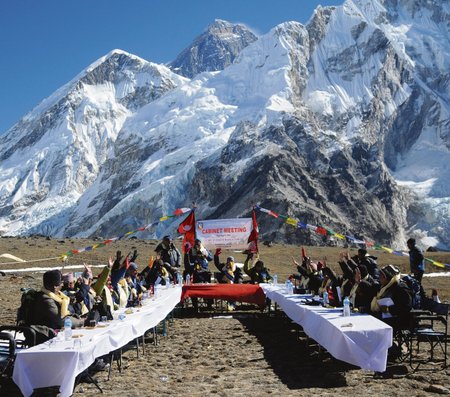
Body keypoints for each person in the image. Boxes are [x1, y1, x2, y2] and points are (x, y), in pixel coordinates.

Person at [370, 265, 412, 330]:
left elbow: (406, 306)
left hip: (397, 319)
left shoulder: (400, 288)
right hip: (385, 316)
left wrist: (388, 309)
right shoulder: (385, 287)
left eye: (382, 276)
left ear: (387, 278)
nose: (379, 278)